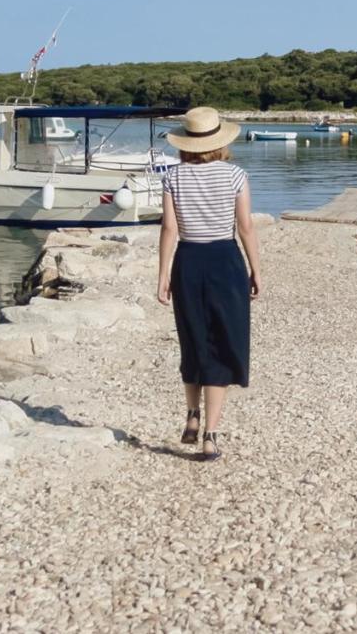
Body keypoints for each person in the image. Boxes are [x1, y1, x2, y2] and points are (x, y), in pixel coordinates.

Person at [157, 107, 262, 461]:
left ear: (186, 143)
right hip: (224, 261)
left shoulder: (172, 176)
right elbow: (245, 226)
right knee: (222, 343)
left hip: (188, 261)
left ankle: (191, 414)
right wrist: (256, 269)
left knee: (193, 339)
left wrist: (163, 275)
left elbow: (169, 229)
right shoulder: (235, 175)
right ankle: (211, 437)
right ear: (220, 140)